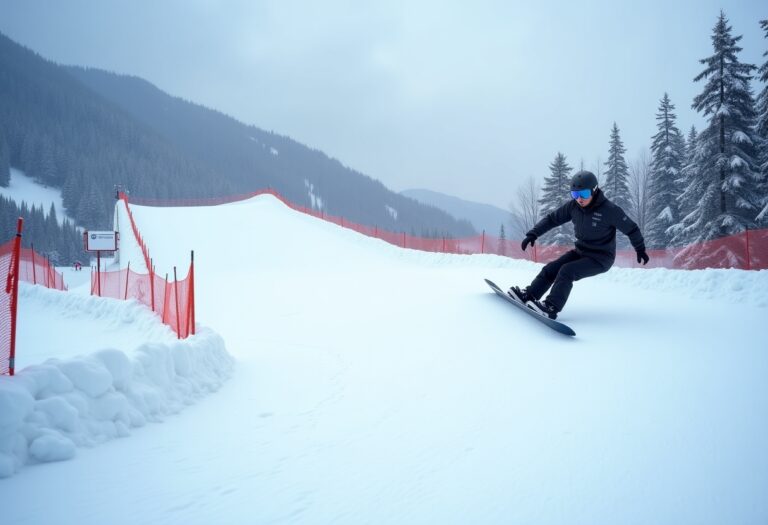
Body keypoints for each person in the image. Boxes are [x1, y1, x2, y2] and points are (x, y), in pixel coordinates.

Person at [509, 170, 649, 319]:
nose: (579, 199)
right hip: (580, 252)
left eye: (584, 194)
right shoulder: (573, 207)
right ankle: (529, 295)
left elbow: (631, 229)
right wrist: (533, 233)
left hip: (601, 259)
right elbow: (552, 219)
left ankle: (551, 306)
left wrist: (640, 248)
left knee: (567, 271)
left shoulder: (610, 210)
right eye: (575, 194)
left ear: (594, 191)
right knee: (551, 269)